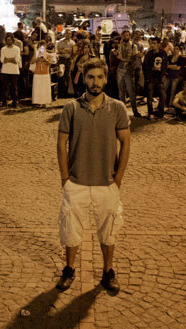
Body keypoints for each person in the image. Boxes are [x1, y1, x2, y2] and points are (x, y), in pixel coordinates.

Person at [56, 58, 130, 294]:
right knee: (70, 228)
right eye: (90, 77)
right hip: (76, 182)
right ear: (83, 79)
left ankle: (108, 271)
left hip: (106, 182)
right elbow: (61, 144)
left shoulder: (117, 107)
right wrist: (64, 178)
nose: (95, 82)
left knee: (109, 229)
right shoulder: (71, 108)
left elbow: (126, 143)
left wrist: (117, 178)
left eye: (99, 77)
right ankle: (69, 269)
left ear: (106, 79)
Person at [117, 30, 141, 117]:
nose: (126, 37)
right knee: (121, 92)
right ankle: (123, 111)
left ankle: (135, 110)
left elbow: (133, 59)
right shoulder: (120, 45)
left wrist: (122, 59)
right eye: (124, 35)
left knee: (131, 92)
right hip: (120, 70)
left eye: (127, 35)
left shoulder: (133, 46)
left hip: (128, 71)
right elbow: (117, 56)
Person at [142, 37, 167, 119]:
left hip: (160, 78)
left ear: (159, 44)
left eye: (154, 43)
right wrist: (150, 71)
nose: (152, 45)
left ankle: (160, 111)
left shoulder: (163, 53)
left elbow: (164, 65)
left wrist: (163, 75)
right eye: (151, 43)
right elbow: (144, 66)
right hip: (151, 78)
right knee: (150, 96)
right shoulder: (149, 54)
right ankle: (150, 112)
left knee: (163, 96)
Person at [0, 33, 21, 108]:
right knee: (4, 88)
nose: (8, 41)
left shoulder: (17, 49)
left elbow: (17, 60)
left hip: (14, 71)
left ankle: (14, 103)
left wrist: (8, 59)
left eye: (10, 40)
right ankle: (4, 102)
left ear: (12, 40)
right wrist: (12, 58)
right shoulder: (3, 49)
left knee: (13, 88)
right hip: (5, 71)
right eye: (7, 40)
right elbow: (2, 60)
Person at [163, 44, 186, 111]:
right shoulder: (170, 57)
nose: (175, 50)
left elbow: (177, 68)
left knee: (173, 91)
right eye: (175, 48)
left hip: (175, 76)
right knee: (164, 89)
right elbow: (165, 65)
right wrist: (172, 66)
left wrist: (169, 66)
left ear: (179, 50)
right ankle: (163, 103)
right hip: (168, 75)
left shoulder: (180, 58)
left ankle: (171, 104)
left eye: (177, 49)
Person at [31, 40, 52, 107]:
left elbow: (50, 63)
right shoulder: (36, 54)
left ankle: (44, 102)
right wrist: (37, 59)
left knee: (44, 88)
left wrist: (45, 60)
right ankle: (37, 102)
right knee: (38, 88)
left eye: (43, 46)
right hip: (37, 73)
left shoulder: (48, 54)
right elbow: (31, 62)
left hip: (45, 73)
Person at [57, 30, 74, 98]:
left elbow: (73, 51)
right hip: (62, 60)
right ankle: (61, 92)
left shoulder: (73, 42)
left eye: (69, 34)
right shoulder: (60, 42)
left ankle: (67, 92)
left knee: (67, 76)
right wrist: (67, 50)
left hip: (69, 60)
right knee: (61, 75)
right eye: (67, 33)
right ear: (64, 34)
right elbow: (59, 50)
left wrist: (64, 50)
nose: (68, 35)